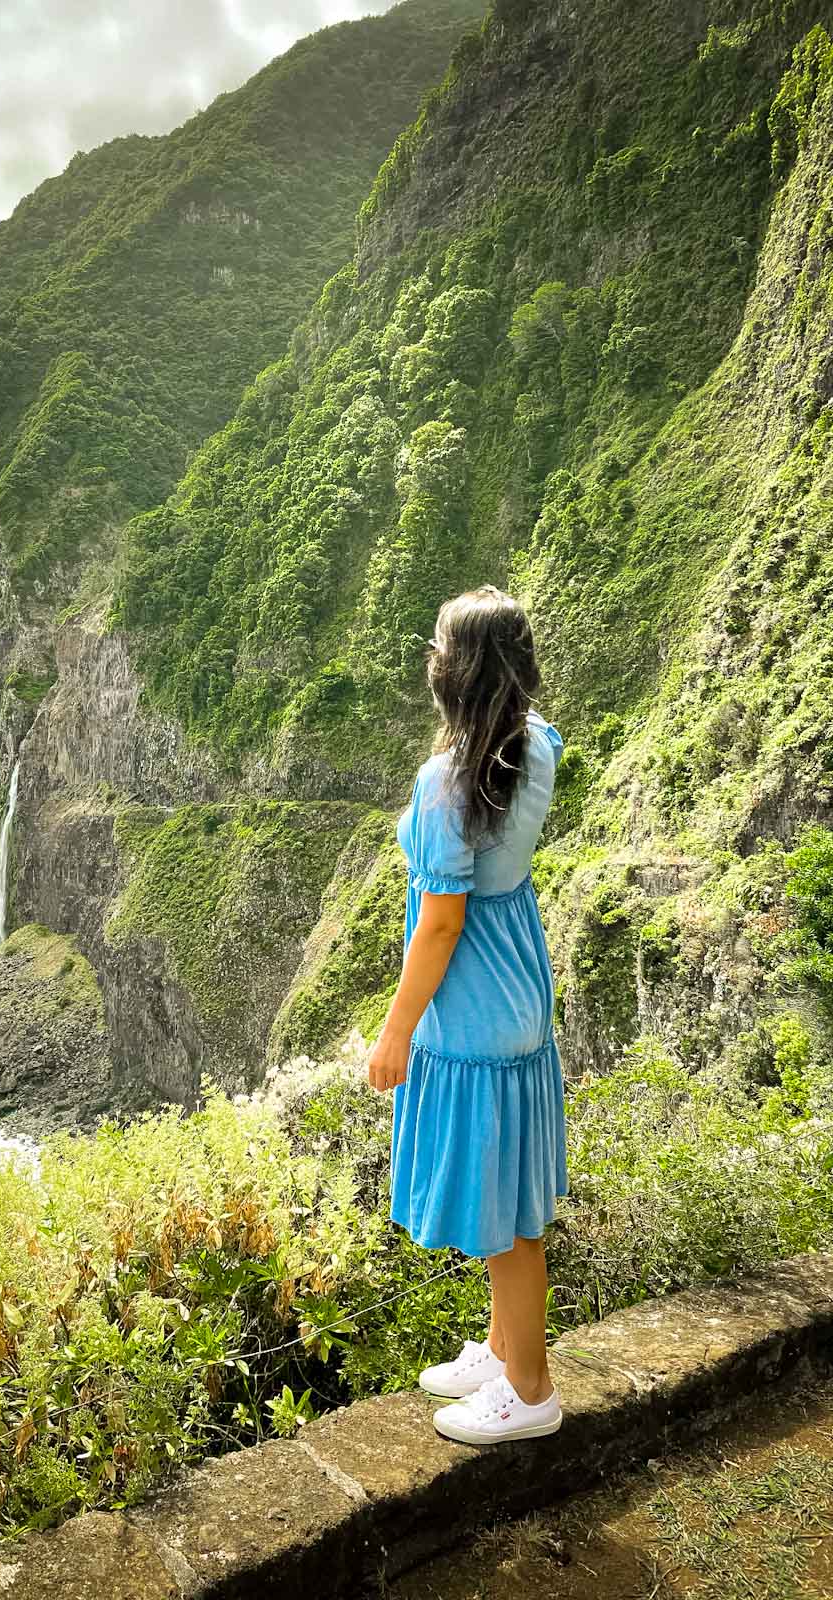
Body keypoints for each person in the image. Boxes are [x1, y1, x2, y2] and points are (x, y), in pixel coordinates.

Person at [366, 582, 568, 1445]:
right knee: (510, 1197)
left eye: (438, 652)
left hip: (474, 1009)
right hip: (519, 985)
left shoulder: (446, 781)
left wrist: (395, 1029)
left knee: (506, 1218)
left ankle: (530, 1390)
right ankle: (499, 1345)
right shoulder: (541, 747)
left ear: (454, 674)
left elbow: (442, 921)